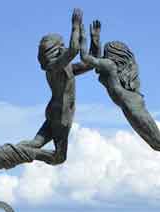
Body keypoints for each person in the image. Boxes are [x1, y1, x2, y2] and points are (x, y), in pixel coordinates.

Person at [78, 23, 160, 157]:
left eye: (106, 52)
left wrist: (81, 36)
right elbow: (95, 61)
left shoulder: (110, 66)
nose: (103, 56)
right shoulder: (110, 67)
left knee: (158, 139)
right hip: (130, 102)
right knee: (155, 144)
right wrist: (95, 39)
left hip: (131, 103)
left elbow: (86, 58)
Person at [16, 9, 102, 165]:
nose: (64, 48)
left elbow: (91, 62)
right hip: (61, 115)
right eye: (61, 45)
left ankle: (12, 151)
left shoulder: (65, 69)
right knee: (59, 157)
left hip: (54, 112)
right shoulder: (54, 67)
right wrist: (75, 26)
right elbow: (74, 50)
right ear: (53, 51)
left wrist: (94, 39)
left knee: (36, 142)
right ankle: (24, 153)